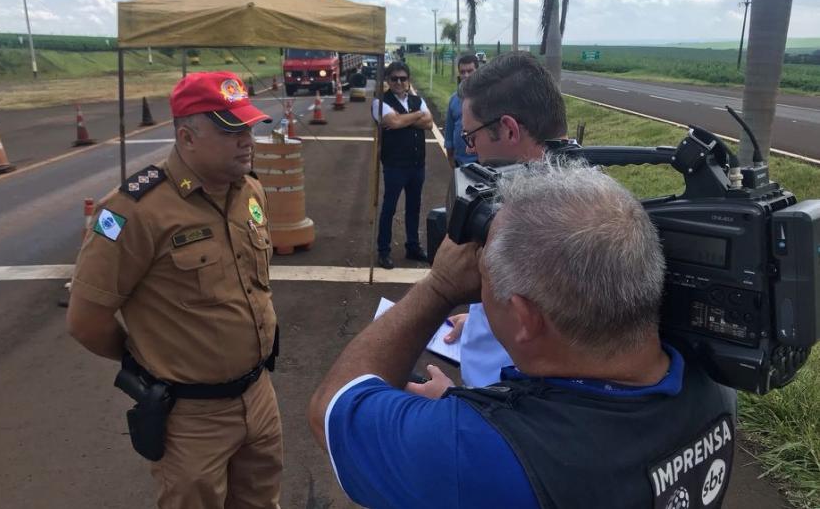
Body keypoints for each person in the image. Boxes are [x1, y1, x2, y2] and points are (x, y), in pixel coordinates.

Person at [309, 158, 736, 508]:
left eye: (484, 278)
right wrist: (464, 409)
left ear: (525, 318)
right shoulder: (713, 386)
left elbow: (332, 407)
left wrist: (440, 287)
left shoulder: (479, 456)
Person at [67, 71, 282, 509]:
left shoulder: (250, 191)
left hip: (259, 397)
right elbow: (86, 322)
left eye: (247, 127)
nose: (247, 139)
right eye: (230, 130)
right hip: (191, 417)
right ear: (187, 137)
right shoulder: (133, 212)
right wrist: (148, 360)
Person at [436, 50, 569, 388]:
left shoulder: (535, 221)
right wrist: (481, 319)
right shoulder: (581, 194)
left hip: (494, 413)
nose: (472, 151)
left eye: (471, 137)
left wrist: (453, 402)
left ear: (509, 130)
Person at [372, 60, 434, 270]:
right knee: (389, 208)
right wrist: (415, 116)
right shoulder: (380, 102)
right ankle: (383, 251)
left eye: (403, 78)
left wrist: (405, 118)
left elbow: (429, 123)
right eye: (394, 78)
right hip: (394, 165)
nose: (399, 82)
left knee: (414, 207)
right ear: (388, 81)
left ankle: (413, 246)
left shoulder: (417, 100)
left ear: (409, 80)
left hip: (417, 165)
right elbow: (393, 122)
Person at [443, 53, 479, 169]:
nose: (466, 75)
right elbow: (449, 129)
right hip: (460, 161)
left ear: (478, 71)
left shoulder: (488, 98)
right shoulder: (454, 99)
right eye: (462, 72)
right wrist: (450, 156)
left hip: (482, 160)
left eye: (470, 71)